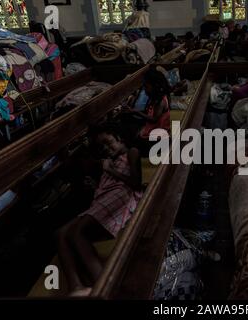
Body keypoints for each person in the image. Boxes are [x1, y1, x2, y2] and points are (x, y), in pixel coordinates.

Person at [57, 125, 142, 296]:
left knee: (77, 232)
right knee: (60, 233)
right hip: (105, 197)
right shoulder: (108, 161)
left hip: (123, 195)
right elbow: (105, 183)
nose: (106, 148)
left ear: (119, 137)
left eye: (108, 142)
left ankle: (105, 285)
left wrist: (109, 170)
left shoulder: (131, 152)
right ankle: (76, 287)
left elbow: (135, 183)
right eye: (102, 146)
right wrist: (96, 183)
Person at [121, 67, 171, 156]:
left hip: (159, 138)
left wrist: (135, 112)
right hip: (154, 131)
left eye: (146, 86)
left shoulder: (161, 101)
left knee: (134, 145)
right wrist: (132, 111)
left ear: (155, 86)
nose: (144, 89)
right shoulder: (154, 98)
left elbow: (154, 119)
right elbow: (149, 112)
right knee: (126, 120)